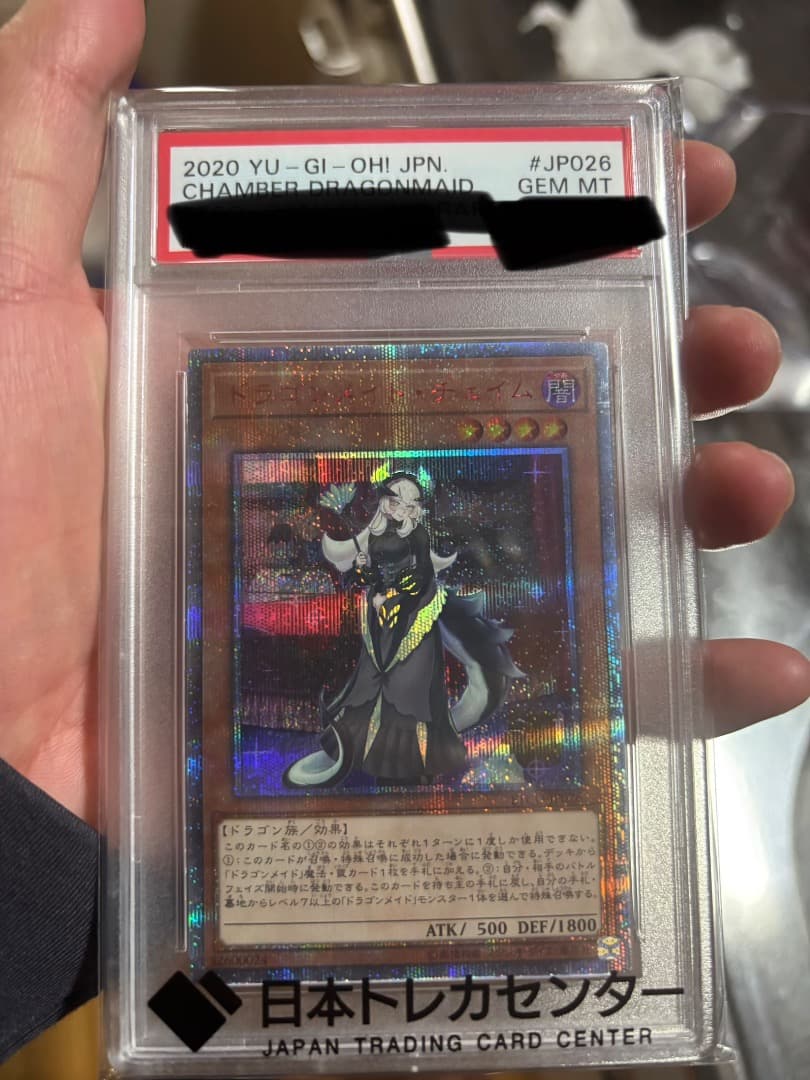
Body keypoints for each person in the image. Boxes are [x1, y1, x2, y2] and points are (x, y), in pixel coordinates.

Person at [1, 0, 808, 1062]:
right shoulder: (365, 518)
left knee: (422, 706)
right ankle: (370, 775)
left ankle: (428, 776)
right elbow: (345, 558)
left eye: (400, 496)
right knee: (360, 708)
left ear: (417, 502)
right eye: (388, 495)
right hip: (346, 671)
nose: (392, 502)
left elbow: (432, 571)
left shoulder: (423, 531)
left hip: (416, 634)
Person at [285, 470, 521, 788]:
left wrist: (392, 593)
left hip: (414, 617)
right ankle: (370, 755)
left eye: (407, 504)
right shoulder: (377, 534)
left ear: (415, 507)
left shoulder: (418, 535)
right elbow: (369, 574)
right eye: (394, 502)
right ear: (385, 502)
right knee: (374, 685)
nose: (399, 509)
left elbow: (421, 575)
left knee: (410, 691)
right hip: (380, 622)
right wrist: (366, 574)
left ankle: (414, 761)